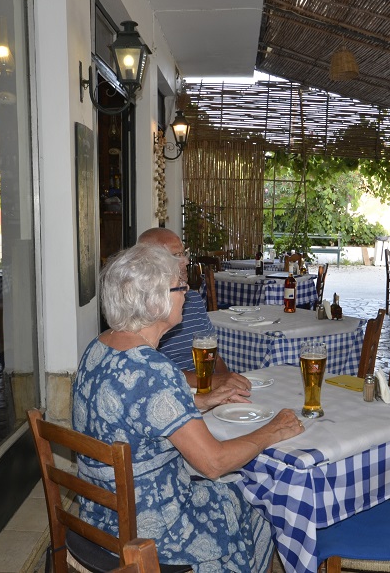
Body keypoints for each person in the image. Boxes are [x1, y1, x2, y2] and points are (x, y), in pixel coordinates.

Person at [72, 244, 303, 571]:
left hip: (99, 515)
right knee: (255, 499)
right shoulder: (154, 371)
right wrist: (274, 429)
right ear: (155, 300)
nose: (187, 293)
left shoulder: (98, 349)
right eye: (179, 286)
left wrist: (201, 401)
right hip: (150, 529)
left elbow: (133, 410)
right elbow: (214, 462)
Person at [138, 227, 253, 409]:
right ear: (150, 264)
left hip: (205, 395)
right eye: (176, 256)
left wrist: (228, 386)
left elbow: (212, 355)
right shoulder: (139, 311)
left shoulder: (192, 299)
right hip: (173, 396)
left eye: (184, 253)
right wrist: (212, 382)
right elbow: (151, 371)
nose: (186, 261)